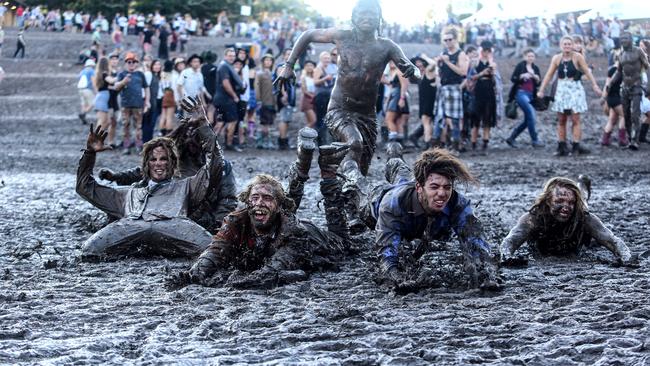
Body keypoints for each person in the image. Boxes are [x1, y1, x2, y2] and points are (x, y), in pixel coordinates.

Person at [275, 0, 420, 233]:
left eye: (372, 13)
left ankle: (352, 214)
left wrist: (414, 72)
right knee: (354, 144)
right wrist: (289, 65)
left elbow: (415, 74)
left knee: (360, 167)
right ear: (354, 17)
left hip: (368, 114)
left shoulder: (387, 46)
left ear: (379, 18)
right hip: (339, 108)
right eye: (362, 13)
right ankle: (349, 208)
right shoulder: (342, 36)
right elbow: (308, 34)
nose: (367, 17)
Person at [167, 129, 352, 289]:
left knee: (344, 243)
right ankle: (301, 168)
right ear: (247, 202)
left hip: (318, 239)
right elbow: (215, 250)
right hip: (280, 225)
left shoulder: (294, 233)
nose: (259, 203)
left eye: (266, 198)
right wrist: (192, 275)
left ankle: (328, 172)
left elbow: (274, 270)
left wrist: (247, 281)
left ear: (277, 206)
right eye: (254, 198)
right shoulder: (235, 221)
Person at [76, 106, 223, 260]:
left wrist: (203, 126)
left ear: (172, 163)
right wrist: (89, 153)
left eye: (164, 159)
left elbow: (215, 165)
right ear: (146, 165)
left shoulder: (186, 186)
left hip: (176, 226)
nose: (158, 163)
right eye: (153, 159)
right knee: (88, 250)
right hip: (130, 226)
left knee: (214, 252)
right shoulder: (127, 194)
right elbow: (84, 187)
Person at [365, 146, 499, 293]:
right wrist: (398, 279)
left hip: (413, 190)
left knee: (402, 173)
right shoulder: (392, 204)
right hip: (376, 201)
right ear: (419, 187)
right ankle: (354, 163)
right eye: (435, 187)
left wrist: (486, 276)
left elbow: (476, 243)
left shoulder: (458, 204)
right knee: (355, 186)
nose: (442, 193)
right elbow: (387, 252)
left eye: (447, 187)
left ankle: (394, 153)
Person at [500, 177, 633, 266]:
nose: (566, 207)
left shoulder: (584, 218)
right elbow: (510, 241)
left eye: (571, 202)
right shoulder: (532, 218)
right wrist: (506, 258)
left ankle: (583, 186)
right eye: (559, 201)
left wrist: (627, 258)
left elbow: (613, 240)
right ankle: (582, 186)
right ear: (547, 201)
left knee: (584, 204)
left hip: (576, 243)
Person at [537, 36, 602, 156]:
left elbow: (587, 72)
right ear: (561, 46)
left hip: (575, 89)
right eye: (565, 44)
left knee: (575, 118)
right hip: (561, 89)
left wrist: (595, 85)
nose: (567, 46)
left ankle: (576, 146)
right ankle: (561, 146)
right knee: (561, 119)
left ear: (572, 46)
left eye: (569, 44)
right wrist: (541, 89)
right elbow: (549, 75)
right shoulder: (557, 58)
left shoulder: (578, 57)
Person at [607, 32, 650, 150]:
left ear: (631, 39)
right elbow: (619, 72)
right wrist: (610, 83)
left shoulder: (638, 51)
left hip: (637, 86)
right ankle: (630, 139)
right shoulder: (621, 54)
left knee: (636, 114)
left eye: (626, 38)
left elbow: (648, 67)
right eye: (621, 39)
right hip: (624, 87)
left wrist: (648, 85)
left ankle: (635, 141)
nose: (623, 41)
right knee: (626, 115)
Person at [432, 28, 468, 153]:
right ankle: (435, 148)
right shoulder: (443, 53)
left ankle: (455, 147)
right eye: (445, 40)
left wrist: (447, 62)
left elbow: (463, 72)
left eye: (450, 39)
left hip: (454, 88)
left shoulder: (460, 54)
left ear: (455, 39)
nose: (447, 42)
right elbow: (438, 71)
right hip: (443, 88)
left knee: (455, 119)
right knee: (439, 118)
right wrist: (438, 65)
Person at [505, 49, 544, 148]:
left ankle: (511, 138)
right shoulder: (520, 66)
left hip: (531, 95)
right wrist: (521, 76)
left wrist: (536, 78)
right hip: (521, 94)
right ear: (524, 57)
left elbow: (539, 83)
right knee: (531, 114)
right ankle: (535, 140)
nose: (530, 58)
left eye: (532, 56)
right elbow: (513, 79)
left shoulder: (535, 68)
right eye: (529, 56)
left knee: (528, 119)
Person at [114, 52, 151, 154]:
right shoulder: (121, 74)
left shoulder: (140, 74)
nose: (131, 64)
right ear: (126, 63)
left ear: (136, 64)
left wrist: (147, 101)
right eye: (129, 62)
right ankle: (126, 146)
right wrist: (123, 82)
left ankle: (138, 145)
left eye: (134, 62)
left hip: (138, 105)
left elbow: (146, 88)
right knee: (126, 126)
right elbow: (116, 87)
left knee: (138, 126)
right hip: (125, 105)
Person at [468, 41, 498, 154]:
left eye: (488, 51)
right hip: (479, 91)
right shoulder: (475, 62)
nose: (486, 53)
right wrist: (483, 73)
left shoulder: (493, 63)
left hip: (489, 91)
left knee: (487, 119)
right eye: (485, 50)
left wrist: (490, 63)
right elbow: (471, 77)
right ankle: (474, 144)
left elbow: (494, 76)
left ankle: (485, 143)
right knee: (475, 120)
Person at [213, 48, 244, 152]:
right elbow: (226, 83)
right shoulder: (224, 67)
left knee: (220, 122)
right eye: (230, 56)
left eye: (233, 56)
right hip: (226, 99)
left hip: (220, 99)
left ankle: (210, 145)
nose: (232, 58)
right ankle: (229, 144)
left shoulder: (225, 66)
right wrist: (234, 96)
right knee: (232, 121)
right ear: (225, 56)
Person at [273, 48, 297, 150]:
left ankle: (284, 139)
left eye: (291, 54)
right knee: (284, 118)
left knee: (287, 119)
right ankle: (282, 141)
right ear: (284, 56)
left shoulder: (290, 67)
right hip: (284, 96)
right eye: (288, 54)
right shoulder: (281, 66)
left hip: (289, 95)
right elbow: (280, 81)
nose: (289, 56)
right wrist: (284, 94)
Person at [600, 61, 627, 146]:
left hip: (611, 98)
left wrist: (604, 97)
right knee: (624, 115)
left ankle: (605, 140)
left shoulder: (611, 70)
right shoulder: (624, 70)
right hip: (617, 98)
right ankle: (622, 139)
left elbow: (607, 85)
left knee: (612, 119)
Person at [383, 61, 410, 143]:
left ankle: (393, 142)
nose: (391, 63)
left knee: (389, 119)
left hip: (398, 96)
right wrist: (388, 100)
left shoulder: (399, 71)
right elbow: (391, 86)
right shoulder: (393, 72)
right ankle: (400, 144)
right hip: (394, 96)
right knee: (398, 121)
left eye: (393, 61)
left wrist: (402, 98)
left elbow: (405, 85)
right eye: (390, 62)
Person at [254, 54, 276, 149]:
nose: (268, 62)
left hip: (273, 101)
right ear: (263, 62)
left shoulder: (274, 73)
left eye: (270, 60)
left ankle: (264, 140)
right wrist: (258, 100)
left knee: (270, 122)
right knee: (264, 123)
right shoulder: (259, 74)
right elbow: (257, 87)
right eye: (266, 60)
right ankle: (263, 140)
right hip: (264, 101)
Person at [93, 57, 115, 135]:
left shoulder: (100, 74)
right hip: (102, 99)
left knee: (107, 122)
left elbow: (107, 86)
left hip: (102, 98)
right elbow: (111, 80)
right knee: (102, 121)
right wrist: (120, 77)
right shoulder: (104, 73)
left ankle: (98, 139)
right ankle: (93, 141)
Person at [159, 60, 176, 136]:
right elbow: (174, 87)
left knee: (163, 115)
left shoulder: (162, 74)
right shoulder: (173, 75)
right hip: (171, 94)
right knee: (169, 116)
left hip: (164, 95)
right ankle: (169, 133)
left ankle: (162, 132)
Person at [77, 59, 96, 125]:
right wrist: (96, 90)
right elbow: (93, 81)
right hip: (87, 89)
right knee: (93, 103)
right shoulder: (91, 71)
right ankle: (83, 114)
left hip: (80, 89)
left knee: (84, 104)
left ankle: (83, 118)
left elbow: (79, 79)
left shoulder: (82, 71)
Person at [299, 60, 317, 128]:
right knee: (313, 121)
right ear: (304, 67)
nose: (309, 67)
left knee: (311, 121)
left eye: (311, 65)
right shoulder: (303, 77)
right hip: (307, 99)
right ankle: (302, 135)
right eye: (307, 66)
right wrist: (312, 96)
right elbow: (304, 90)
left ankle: (308, 137)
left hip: (315, 99)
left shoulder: (315, 77)